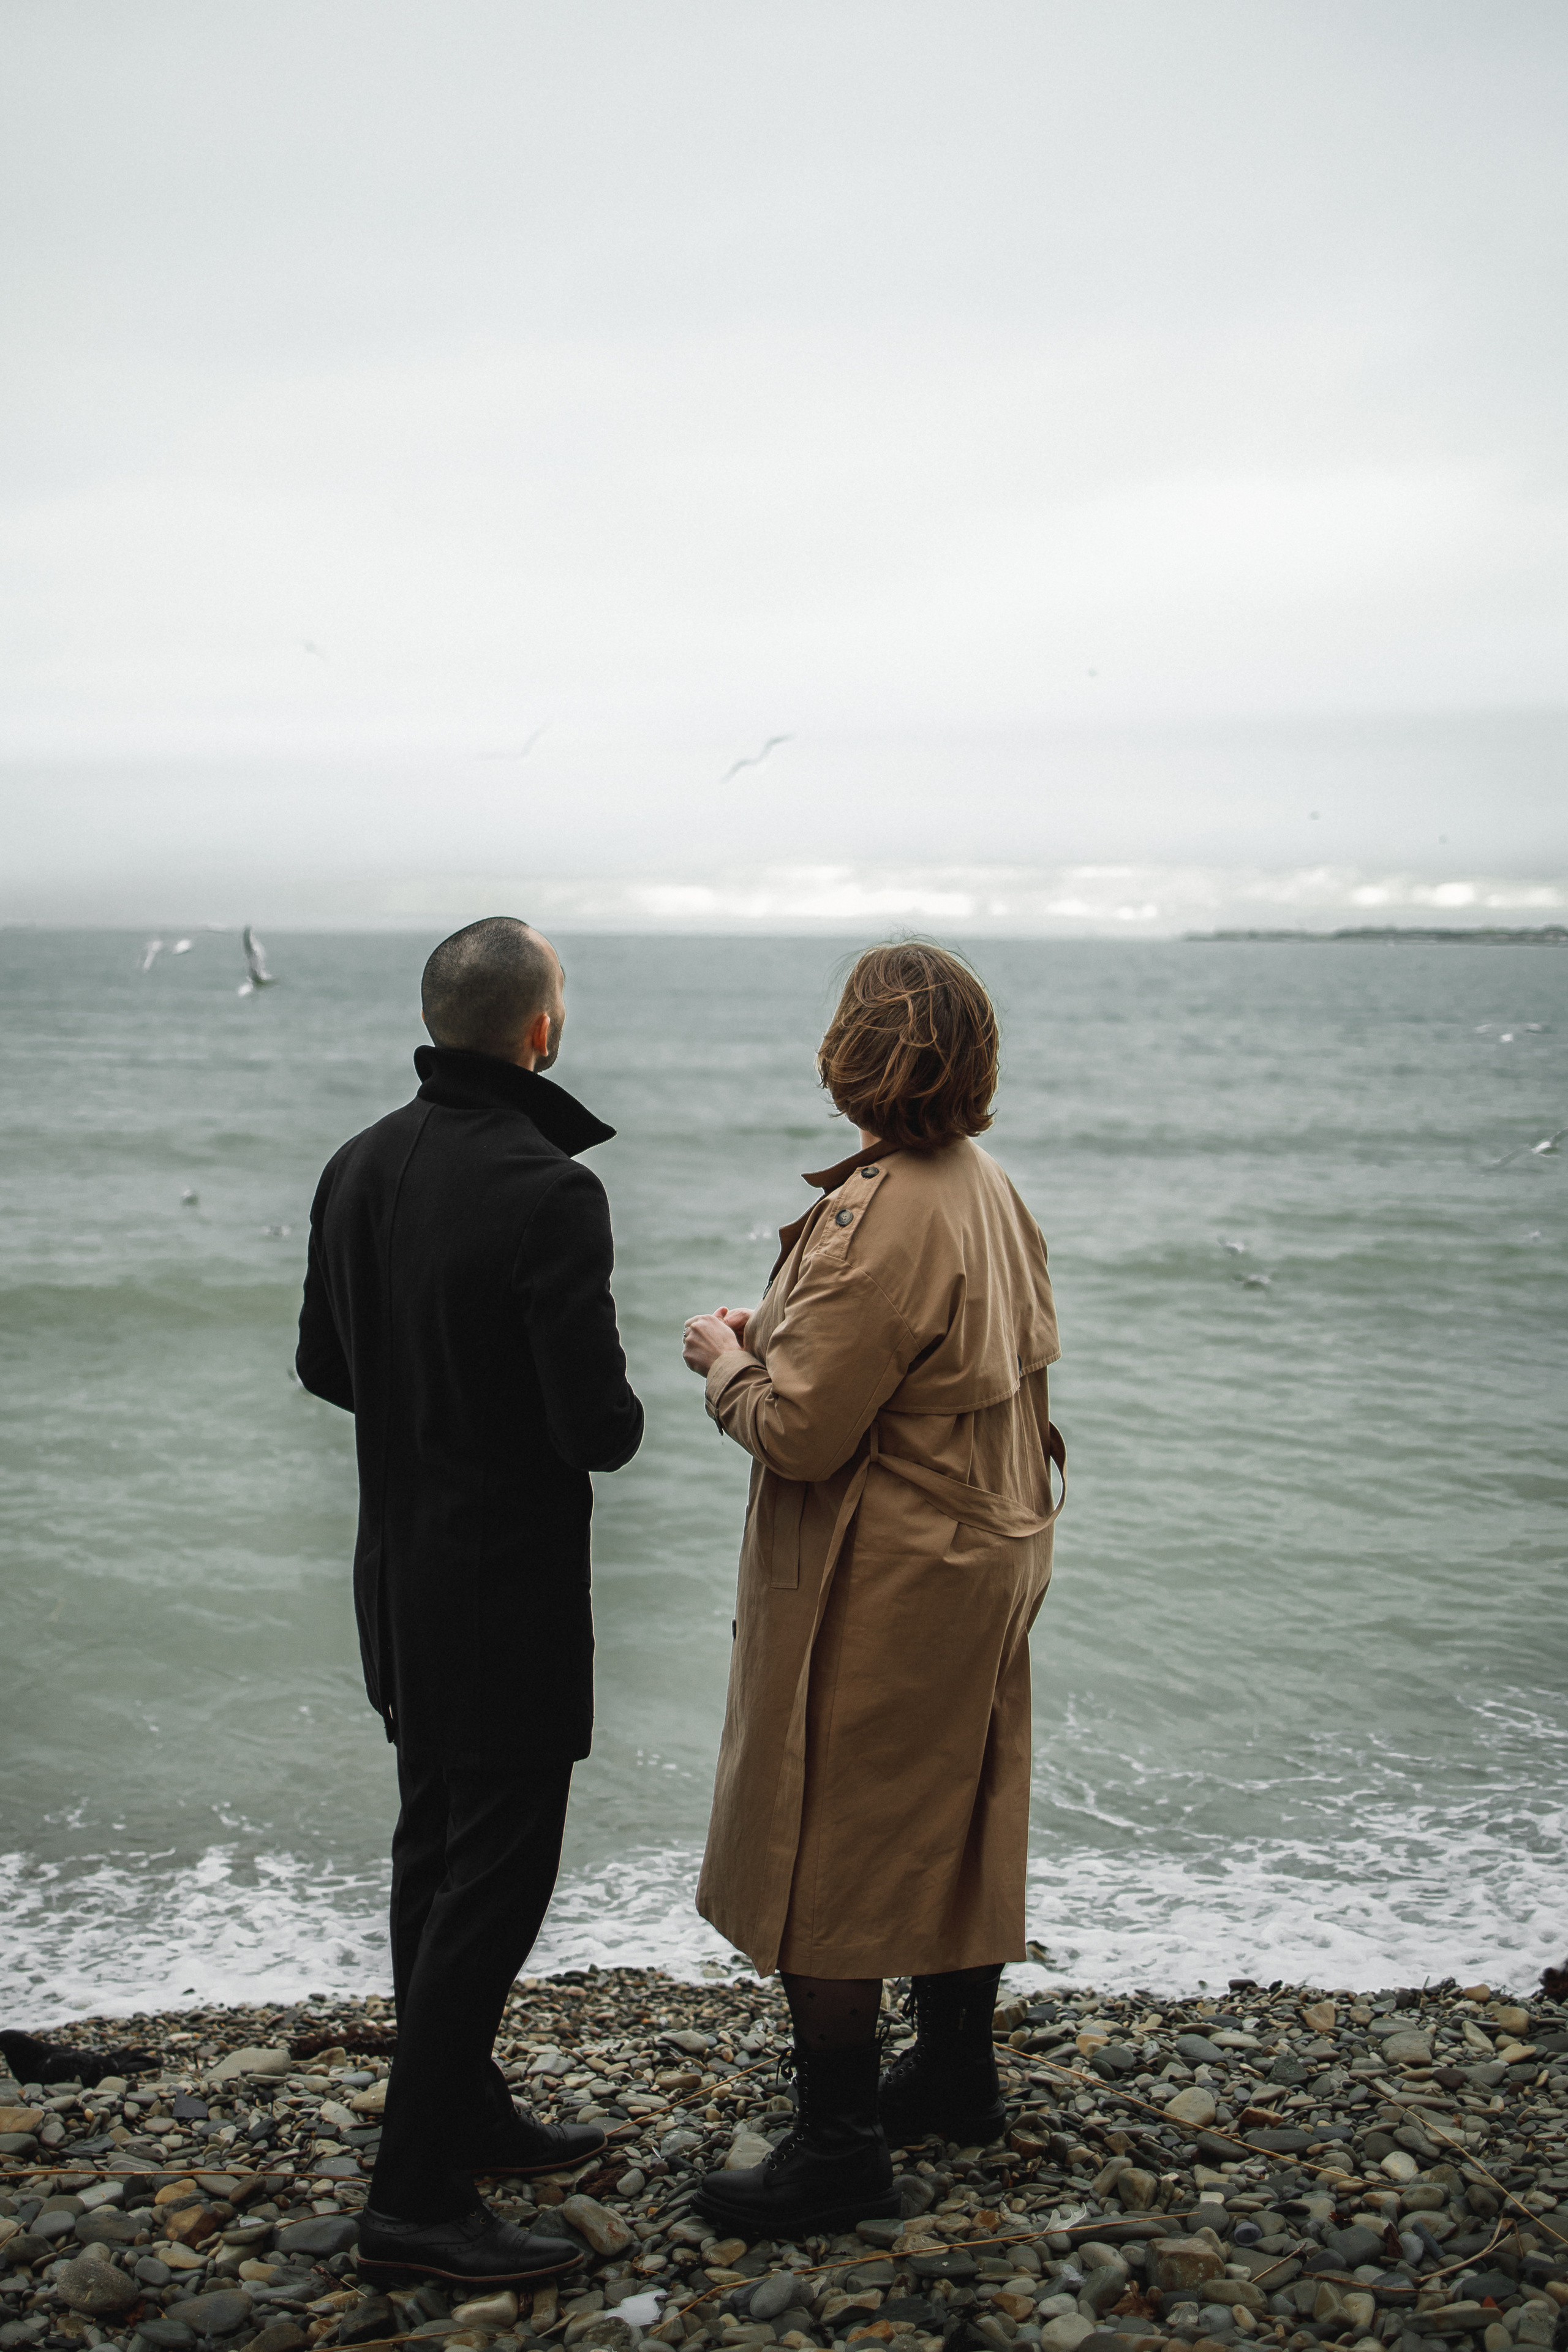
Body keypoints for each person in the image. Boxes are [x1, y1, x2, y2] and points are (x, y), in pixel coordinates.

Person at [680, 941, 1065, 2236]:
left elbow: (800, 1437)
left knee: (829, 1830)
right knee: (955, 1796)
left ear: (853, 1057)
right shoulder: (983, 1184)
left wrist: (724, 1359)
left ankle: (839, 2147)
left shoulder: (876, 1207)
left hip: (889, 1563)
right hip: (989, 1541)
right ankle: (955, 2074)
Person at [296, 916, 643, 2286]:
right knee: (492, 1882)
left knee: (431, 1852)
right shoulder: (548, 1189)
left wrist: (431, 1398)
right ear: (540, 1029)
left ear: (439, 1019)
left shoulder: (359, 1162)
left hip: (399, 1572)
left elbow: (330, 1369)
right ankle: (416, 2198)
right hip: (505, 1593)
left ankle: (464, 2107)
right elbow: (597, 1428)